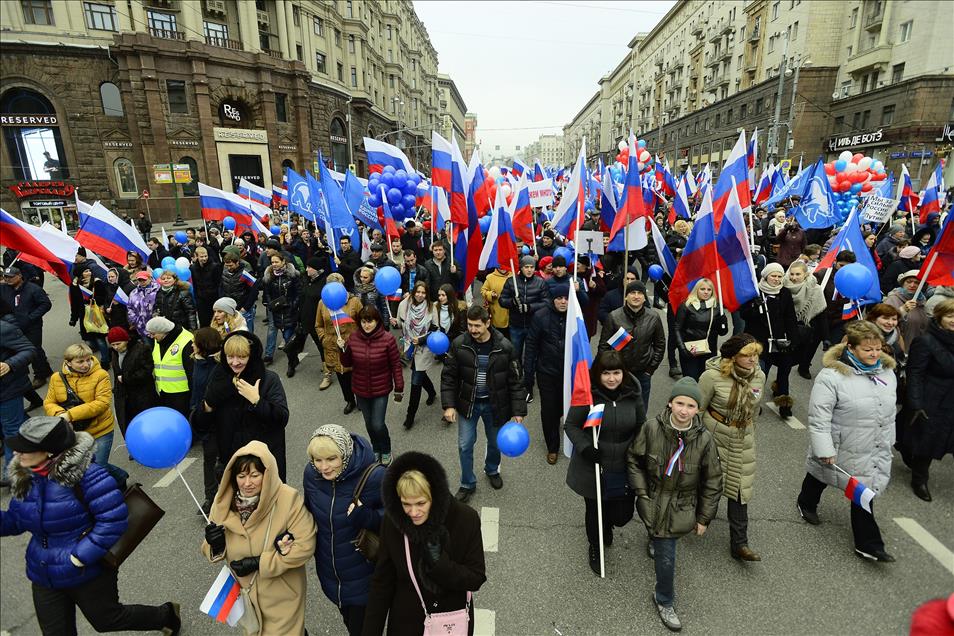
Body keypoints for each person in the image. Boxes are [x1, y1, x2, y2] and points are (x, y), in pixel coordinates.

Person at [1, 416, 181, 634]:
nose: (17, 453)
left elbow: (113, 521)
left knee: (108, 620)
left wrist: (79, 557)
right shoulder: (24, 477)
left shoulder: (88, 476)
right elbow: (15, 520)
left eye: (25, 449)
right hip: (43, 573)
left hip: (86, 569)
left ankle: (165, 615)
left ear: (48, 451)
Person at [627, 377, 723, 632]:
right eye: (679, 403)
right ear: (670, 403)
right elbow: (634, 460)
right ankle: (664, 594)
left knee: (666, 555)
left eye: (691, 406)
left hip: (682, 506)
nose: (684, 410)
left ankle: (663, 596)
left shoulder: (704, 441)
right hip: (653, 499)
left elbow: (713, 481)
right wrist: (642, 493)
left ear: (698, 410)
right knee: (662, 548)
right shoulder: (650, 428)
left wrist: (704, 518)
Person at [796, 321, 897, 562]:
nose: (874, 354)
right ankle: (806, 502)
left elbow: (889, 410)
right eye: (867, 349)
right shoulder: (831, 377)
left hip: (873, 445)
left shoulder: (887, 372)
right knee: (821, 475)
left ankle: (867, 544)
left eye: (878, 348)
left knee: (863, 490)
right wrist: (824, 449)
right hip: (841, 443)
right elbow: (819, 417)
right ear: (850, 348)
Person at [363, 451, 487, 635]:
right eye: (406, 504)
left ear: (435, 496)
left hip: (449, 622)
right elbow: (383, 582)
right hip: (407, 622)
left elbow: (476, 578)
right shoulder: (393, 520)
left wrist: (440, 566)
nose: (413, 512)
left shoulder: (465, 518)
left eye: (421, 503)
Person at [202, 442, 316, 635]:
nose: (247, 483)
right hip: (246, 597)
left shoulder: (288, 499)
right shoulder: (222, 504)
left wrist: (259, 563)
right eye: (241, 476)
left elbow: (305, 545)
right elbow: (209, 549)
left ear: (267, 475)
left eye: (255, 475)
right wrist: (215, 545)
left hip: (282, 594)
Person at [565, 350, 646, 573]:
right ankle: (595, 544)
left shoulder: (633, 393)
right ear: (597, 375)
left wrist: (638, 450)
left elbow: (642, 424)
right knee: (594, 510)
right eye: (606, 373)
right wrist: (585, 448)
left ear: (624, 373)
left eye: (617, 373)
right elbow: (571, 425)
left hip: (622, 464)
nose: (612, 378)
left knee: (621, 515)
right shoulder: (588, 396)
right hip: (593, 464)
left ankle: (608, 523)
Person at [303, 425, 385, 636]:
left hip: (365, 575)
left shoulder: (375, 477)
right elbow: (306, 514)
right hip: (331, 574)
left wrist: (366, 516)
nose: (324, 467)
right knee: (350, 622)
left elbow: (398, 519)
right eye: (318, 460)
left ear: (345, 453)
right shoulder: (311, 475)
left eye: (331, 459)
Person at [441, 305, 526, 503]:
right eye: (470, 325)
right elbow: (449, 377)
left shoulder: (505, 347)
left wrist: (518, 411)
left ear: (488, 323)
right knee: (465, 445)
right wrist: (449, 405)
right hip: (467, 404)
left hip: (495, 405)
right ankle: (467, 483)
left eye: (477, 325)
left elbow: (516, 381)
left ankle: (492, 469)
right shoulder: (459, 344)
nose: (473, 330)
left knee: (495, 443)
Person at [698, 334, 766, 561]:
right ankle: (698, 519)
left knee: (740, 490)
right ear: (733, 356)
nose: (753, 360)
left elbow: (754, 411)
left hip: (742, 439)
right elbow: (698, 409)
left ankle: (740, 544)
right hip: (715, 436)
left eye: (755, 354)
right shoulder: (711, 376)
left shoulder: (759, 377)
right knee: (708, 482)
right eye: (748, 355)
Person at [197, 331, 290, 482]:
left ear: (251, 356)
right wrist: (207, 405)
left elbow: (281, 418)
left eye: (241, 357)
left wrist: (257, 401)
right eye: (230, 356)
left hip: (263, 463)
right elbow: (201, 426)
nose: (235, 362)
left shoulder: (268, 379)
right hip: (232, 462)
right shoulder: (218, 378)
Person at [897, 299, 954, 503]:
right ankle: (919, 479)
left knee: (942, 438)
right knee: (927, 440)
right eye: (950, 316)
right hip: (930, 397)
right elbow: (915, 374)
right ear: (939, 318)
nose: (953, 320)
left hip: (950, 399)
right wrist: (916, 403)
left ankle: (903, 442)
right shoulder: (926, 341)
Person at [44, 343, 124, 483]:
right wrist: (59, 413)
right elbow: (49, 402)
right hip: (76, 434)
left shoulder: (101, 375)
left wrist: (70, 415)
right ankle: (119, 476)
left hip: (101, 430)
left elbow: (101, 404)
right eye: (80, 361)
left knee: (99, 466)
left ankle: (121, 481)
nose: (86, 364)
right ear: (68, 362)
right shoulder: (56, 378)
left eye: (88, 360)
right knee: (87, 466)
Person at [341, 305, 403, 465]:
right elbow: (346, 363)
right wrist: (343, 349)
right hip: (360, 388)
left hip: (381, 389)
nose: (366, 325)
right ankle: (376, 449)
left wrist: (399, 387)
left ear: (377, 321)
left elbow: (396, 364)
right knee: (369, 424)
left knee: (378, 423)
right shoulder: (353, 338)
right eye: (363, 322)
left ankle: (386, 449)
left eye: (370, 321)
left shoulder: (388, 339)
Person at [740, 262, 798, 418]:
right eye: (774, 276)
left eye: (780, 276)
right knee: (760, 373)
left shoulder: (784, 293)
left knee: (785, 370)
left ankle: (784, 404)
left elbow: (790, 317)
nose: (777, 279)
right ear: (766, 276)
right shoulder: (755, 292)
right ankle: (753, 403)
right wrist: (754, 306)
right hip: (759, 341)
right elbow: (743, 315)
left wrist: (793, 339)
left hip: (779, 340)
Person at [598, 280, 665, 406]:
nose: (636, 296)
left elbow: (660, 345)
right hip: (619, 374)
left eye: (640, 293)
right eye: (632, 292)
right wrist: (609, 370)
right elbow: (604, 347)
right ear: (626, 296)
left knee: (641, 409)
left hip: (643, 373)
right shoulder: (614, 317)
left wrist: (650, 369)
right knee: (619, 409)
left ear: (644, 298)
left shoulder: (654, 317)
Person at [525, 283, 569, 464]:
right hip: (547, 372)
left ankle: (557, 422)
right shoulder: (540, 316)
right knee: (549, 411)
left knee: (562, 408)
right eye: (559, 298)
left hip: (568, 373)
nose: (563, 302)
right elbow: (531, 346)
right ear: (552, 300)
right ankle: (553, 447)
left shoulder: (575, 315)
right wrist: (528, 373)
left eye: (567, 298)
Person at [499, 254, 551, 397]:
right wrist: (512, 302)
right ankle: (517, 380)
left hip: (533, 326)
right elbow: (502, 300)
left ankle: (529, 383)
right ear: (521, 268)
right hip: (516, 326)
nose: (529, 270)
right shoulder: (511, 282)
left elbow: (547, 302)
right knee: (515, 355)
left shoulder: (540, 283)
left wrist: (530, 307)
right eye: (526, 267)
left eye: (531, 267)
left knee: (531, 356)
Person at [1, 265, 54, 389]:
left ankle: (40, 375)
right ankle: (45, 368)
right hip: (13, 325)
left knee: (34, 348)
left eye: (11, 277)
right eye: (5, 277)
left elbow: (45, 304)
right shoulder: (3, 289)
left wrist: (30, 317)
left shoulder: (33, 289)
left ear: (19, 276)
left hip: (32, 326)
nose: (8, 279)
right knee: (21, 349)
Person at [1, 297, 36, 485]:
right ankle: (48, 437)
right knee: (18, 423)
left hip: (7, 390)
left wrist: (9, 364)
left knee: (11, 430)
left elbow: (29, 350)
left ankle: (12, 474)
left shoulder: (4, 328)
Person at [314, 272, 361, 412]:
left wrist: (359, 340)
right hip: (334, 346)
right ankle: (349, 400)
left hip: (352, 345)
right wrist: (324, 339)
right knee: (342, 377)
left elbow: (363, 322)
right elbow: (318, 325)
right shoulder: (323, 303)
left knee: (356, 375)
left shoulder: (354, 301)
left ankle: (361, 400)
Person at [397, 281, 439, 430]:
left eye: (423, 293)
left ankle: (410, 416)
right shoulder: (405, 305)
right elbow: (400, 322)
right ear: (414, 292)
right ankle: (432, 392)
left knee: (416, 380)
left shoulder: (431, 307)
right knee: (419, 374)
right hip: (409, 346)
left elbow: (435, 328)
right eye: (418, 292)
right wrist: (396, 323)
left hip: (423, 348)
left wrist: (421, 339)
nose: (420, 295)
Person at [190, 327, 223, 513]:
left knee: (216, 460)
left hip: (215, 420)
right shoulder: (197, 362)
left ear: (203, 345)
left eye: (195, 342)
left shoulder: (217, 366)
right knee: (208, 461)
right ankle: (210, 498)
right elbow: (195, 389)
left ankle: (218, 500)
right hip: (202, 417)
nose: (192, 345)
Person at [673, 278, 728, 381]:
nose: (706, 292)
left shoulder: (716, 308)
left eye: (709, 289)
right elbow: (677, 328)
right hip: (690, 351)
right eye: (702, 289)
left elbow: (723, 332)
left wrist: (723, 322)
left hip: (709, 352)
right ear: (696, 290)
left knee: (704, 383)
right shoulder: (686, 305)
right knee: (691, 381)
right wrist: (682, 348)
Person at [105, 326, 156, 437]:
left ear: (126, 340)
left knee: (144, 424)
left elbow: (147, 371)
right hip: (124, 396)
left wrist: (127, 378)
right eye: (113, 344)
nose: (116, 347)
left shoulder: (142, 350)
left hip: (141, 395)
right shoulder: (114, 353)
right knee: (128, 424)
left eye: (118, 344)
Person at [285, 255, 328, 378]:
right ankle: (292, 364)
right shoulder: (305, 279)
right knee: (293, 345)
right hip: (302, 320)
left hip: (317, 322)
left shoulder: (324, 283)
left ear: (317, 269)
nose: (307, 269)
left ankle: (327, 371)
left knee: (321, 347)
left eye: (310, 267)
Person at [783, 261, 828, 379]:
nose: (794, 278)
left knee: (798, 357)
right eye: (791, 274)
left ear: (806, 274)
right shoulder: (783, 286)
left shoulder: (816, 289)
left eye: (798, 274)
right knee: (784, 362)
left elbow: (821, 314)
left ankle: (803, 367)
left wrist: (825, 337)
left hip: (805, 330)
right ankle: (781, 386)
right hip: (786, 329)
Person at [145, 315, 194, 417]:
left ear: (163, 331)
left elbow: (192, 372)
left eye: (153, 334)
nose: (151, 336)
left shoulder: (186, 341)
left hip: (181, 394)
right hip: (163, 392)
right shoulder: (159, 339)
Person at [262, 252, 301, 366]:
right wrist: (270, 304)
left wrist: (293, 304)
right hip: (276, 311)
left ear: (283, 262)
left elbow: (299, 292)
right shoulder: (268, 276)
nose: (274, 264)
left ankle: (291, 362)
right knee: (272, 330)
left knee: (288, 338)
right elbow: (267, 293)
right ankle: (269, 355)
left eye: (276, 262)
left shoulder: (293, 275)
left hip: (289, 311)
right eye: (272, 262)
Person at [68, 266, 110, 366]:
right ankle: (101, 351)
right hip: (84, 315)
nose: (89, 273)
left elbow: (104, 297)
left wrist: (93, 299)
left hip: (95, 314)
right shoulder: (74, 286)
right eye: (86, 271)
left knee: (100, 339)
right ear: (80, 274)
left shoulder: (97, 283)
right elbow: (74, 303)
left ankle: (105, 361)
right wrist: (73, 318)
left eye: (89, 270)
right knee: (88, 340)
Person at [884, 270, 930, 345]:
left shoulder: (923, 302)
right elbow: (883, 321)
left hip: (917, 346)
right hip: (899, 346)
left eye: (917, 283)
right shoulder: (892, 299)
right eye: (909, 281)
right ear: (902, 284)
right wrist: (903, 310)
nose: (912, 285)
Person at [219, 251, 260, 336]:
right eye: (227, 265)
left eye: (231, 265)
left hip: (243, 309)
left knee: (247, 334)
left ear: (237, 262)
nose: (229, 268)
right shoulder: (224, 270)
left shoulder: (245, 273)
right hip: (229, 308)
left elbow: (254, 290)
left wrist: (246, 307)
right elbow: (221, 286)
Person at [190, 245, 222, 327]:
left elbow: (218, 284)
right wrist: (197, 299)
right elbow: (195, 285)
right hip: (201, 300)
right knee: (204, 323)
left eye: (205, 256)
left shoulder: (215, 267)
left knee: (215, 322)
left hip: (213, 299)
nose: (204, 258)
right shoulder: (193, 268)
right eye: (201, 257)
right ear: (196, 256)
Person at [480, 266, 511, 340]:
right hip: (497, 313)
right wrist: (491, 294)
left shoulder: (514, 276)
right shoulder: (490, 277)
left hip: (512, 314)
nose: (502, 268)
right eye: (500, 265)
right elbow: (483, 291)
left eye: (504, 265)